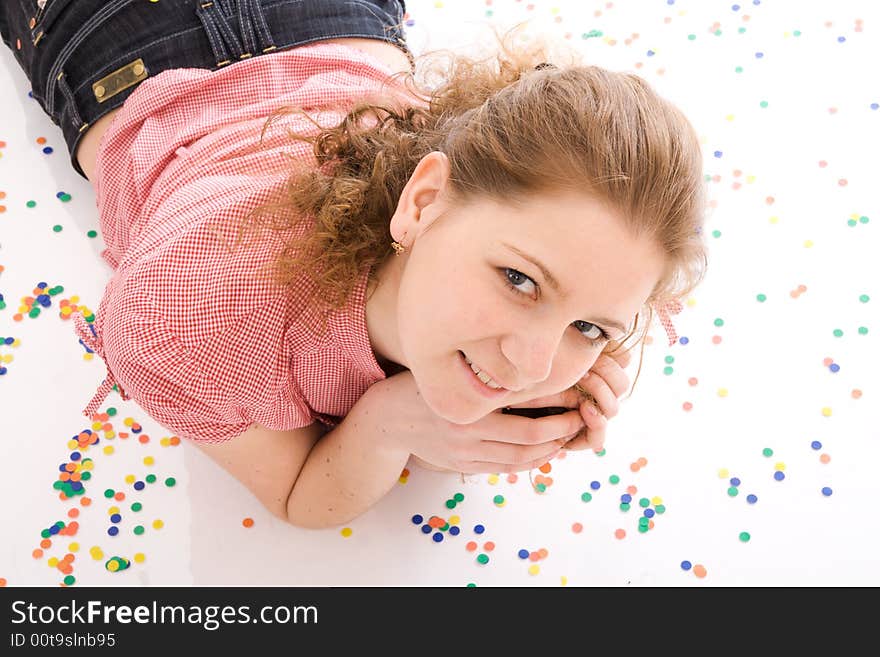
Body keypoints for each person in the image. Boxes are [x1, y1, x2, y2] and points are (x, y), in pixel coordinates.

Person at [1, 2, 707, 529]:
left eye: (590, 326)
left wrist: (459, 414)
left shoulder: (568, 308)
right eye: (520, 281)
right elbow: (297, 496)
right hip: (119, 31)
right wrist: (391, 427)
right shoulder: (190, 317)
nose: (530, 363)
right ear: (422, 202)